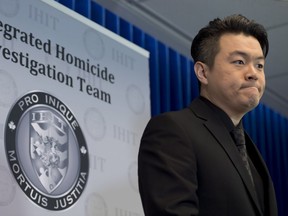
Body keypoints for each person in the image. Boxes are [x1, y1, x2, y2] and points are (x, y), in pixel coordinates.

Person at [138, 14, 278, 216]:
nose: (253, 73)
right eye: (239, 61)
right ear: (203, 73)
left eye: (259, 65)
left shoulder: (251, 153)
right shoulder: (173, 130)